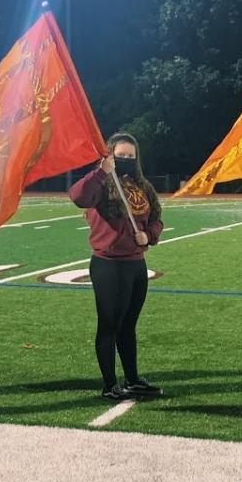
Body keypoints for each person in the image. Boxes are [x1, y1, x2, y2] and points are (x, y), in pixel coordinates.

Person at [69, 133, 165, 401]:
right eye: (120, 156)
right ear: (110, 155)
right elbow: (78, 196)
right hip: (109, 265)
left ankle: (132, 379)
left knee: (128, 326)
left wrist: (149, 236)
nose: (125, 160)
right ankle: (110, 385)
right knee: (109, 326)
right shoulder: (101, 184)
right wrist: (102, 172)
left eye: (130, 157)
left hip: (136, 264)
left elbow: (156, 218)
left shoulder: (141, 186)